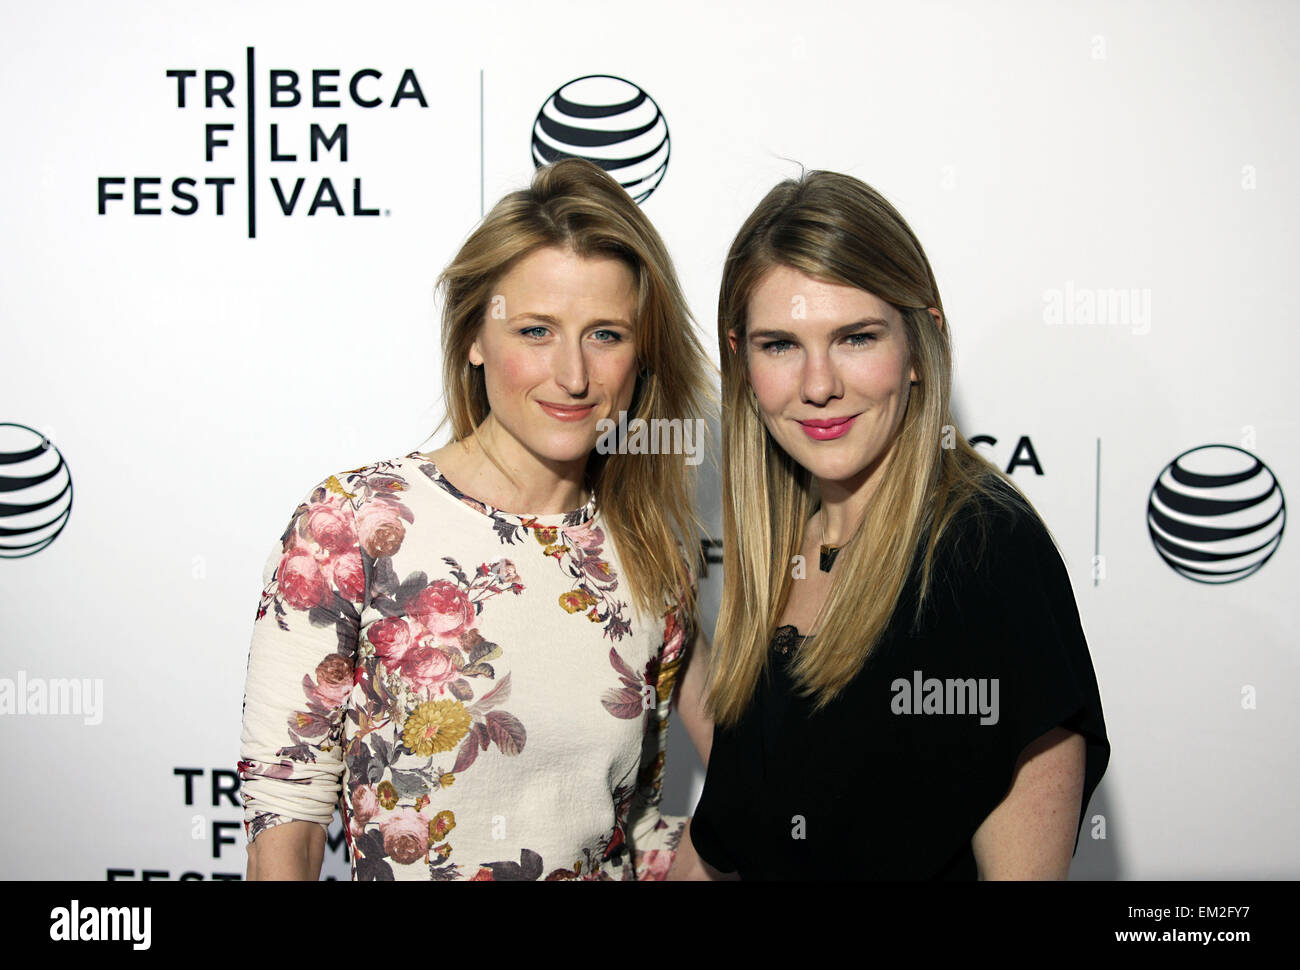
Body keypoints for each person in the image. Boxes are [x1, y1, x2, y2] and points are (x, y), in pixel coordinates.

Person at [238, 157, 716, 881]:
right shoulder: (353, 526)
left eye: (606, 334)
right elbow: (288, 825)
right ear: (473, 338)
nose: (575, 375)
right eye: (534, 330)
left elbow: (657, 821)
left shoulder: (648, 554)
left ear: (641, 356)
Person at [686, 169, 1111, 880]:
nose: (818, 384)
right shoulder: (789, 549)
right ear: (742, 359)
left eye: (855, 337)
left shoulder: (987, 557)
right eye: (780, 345)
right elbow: (728, 831)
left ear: (919, 344)